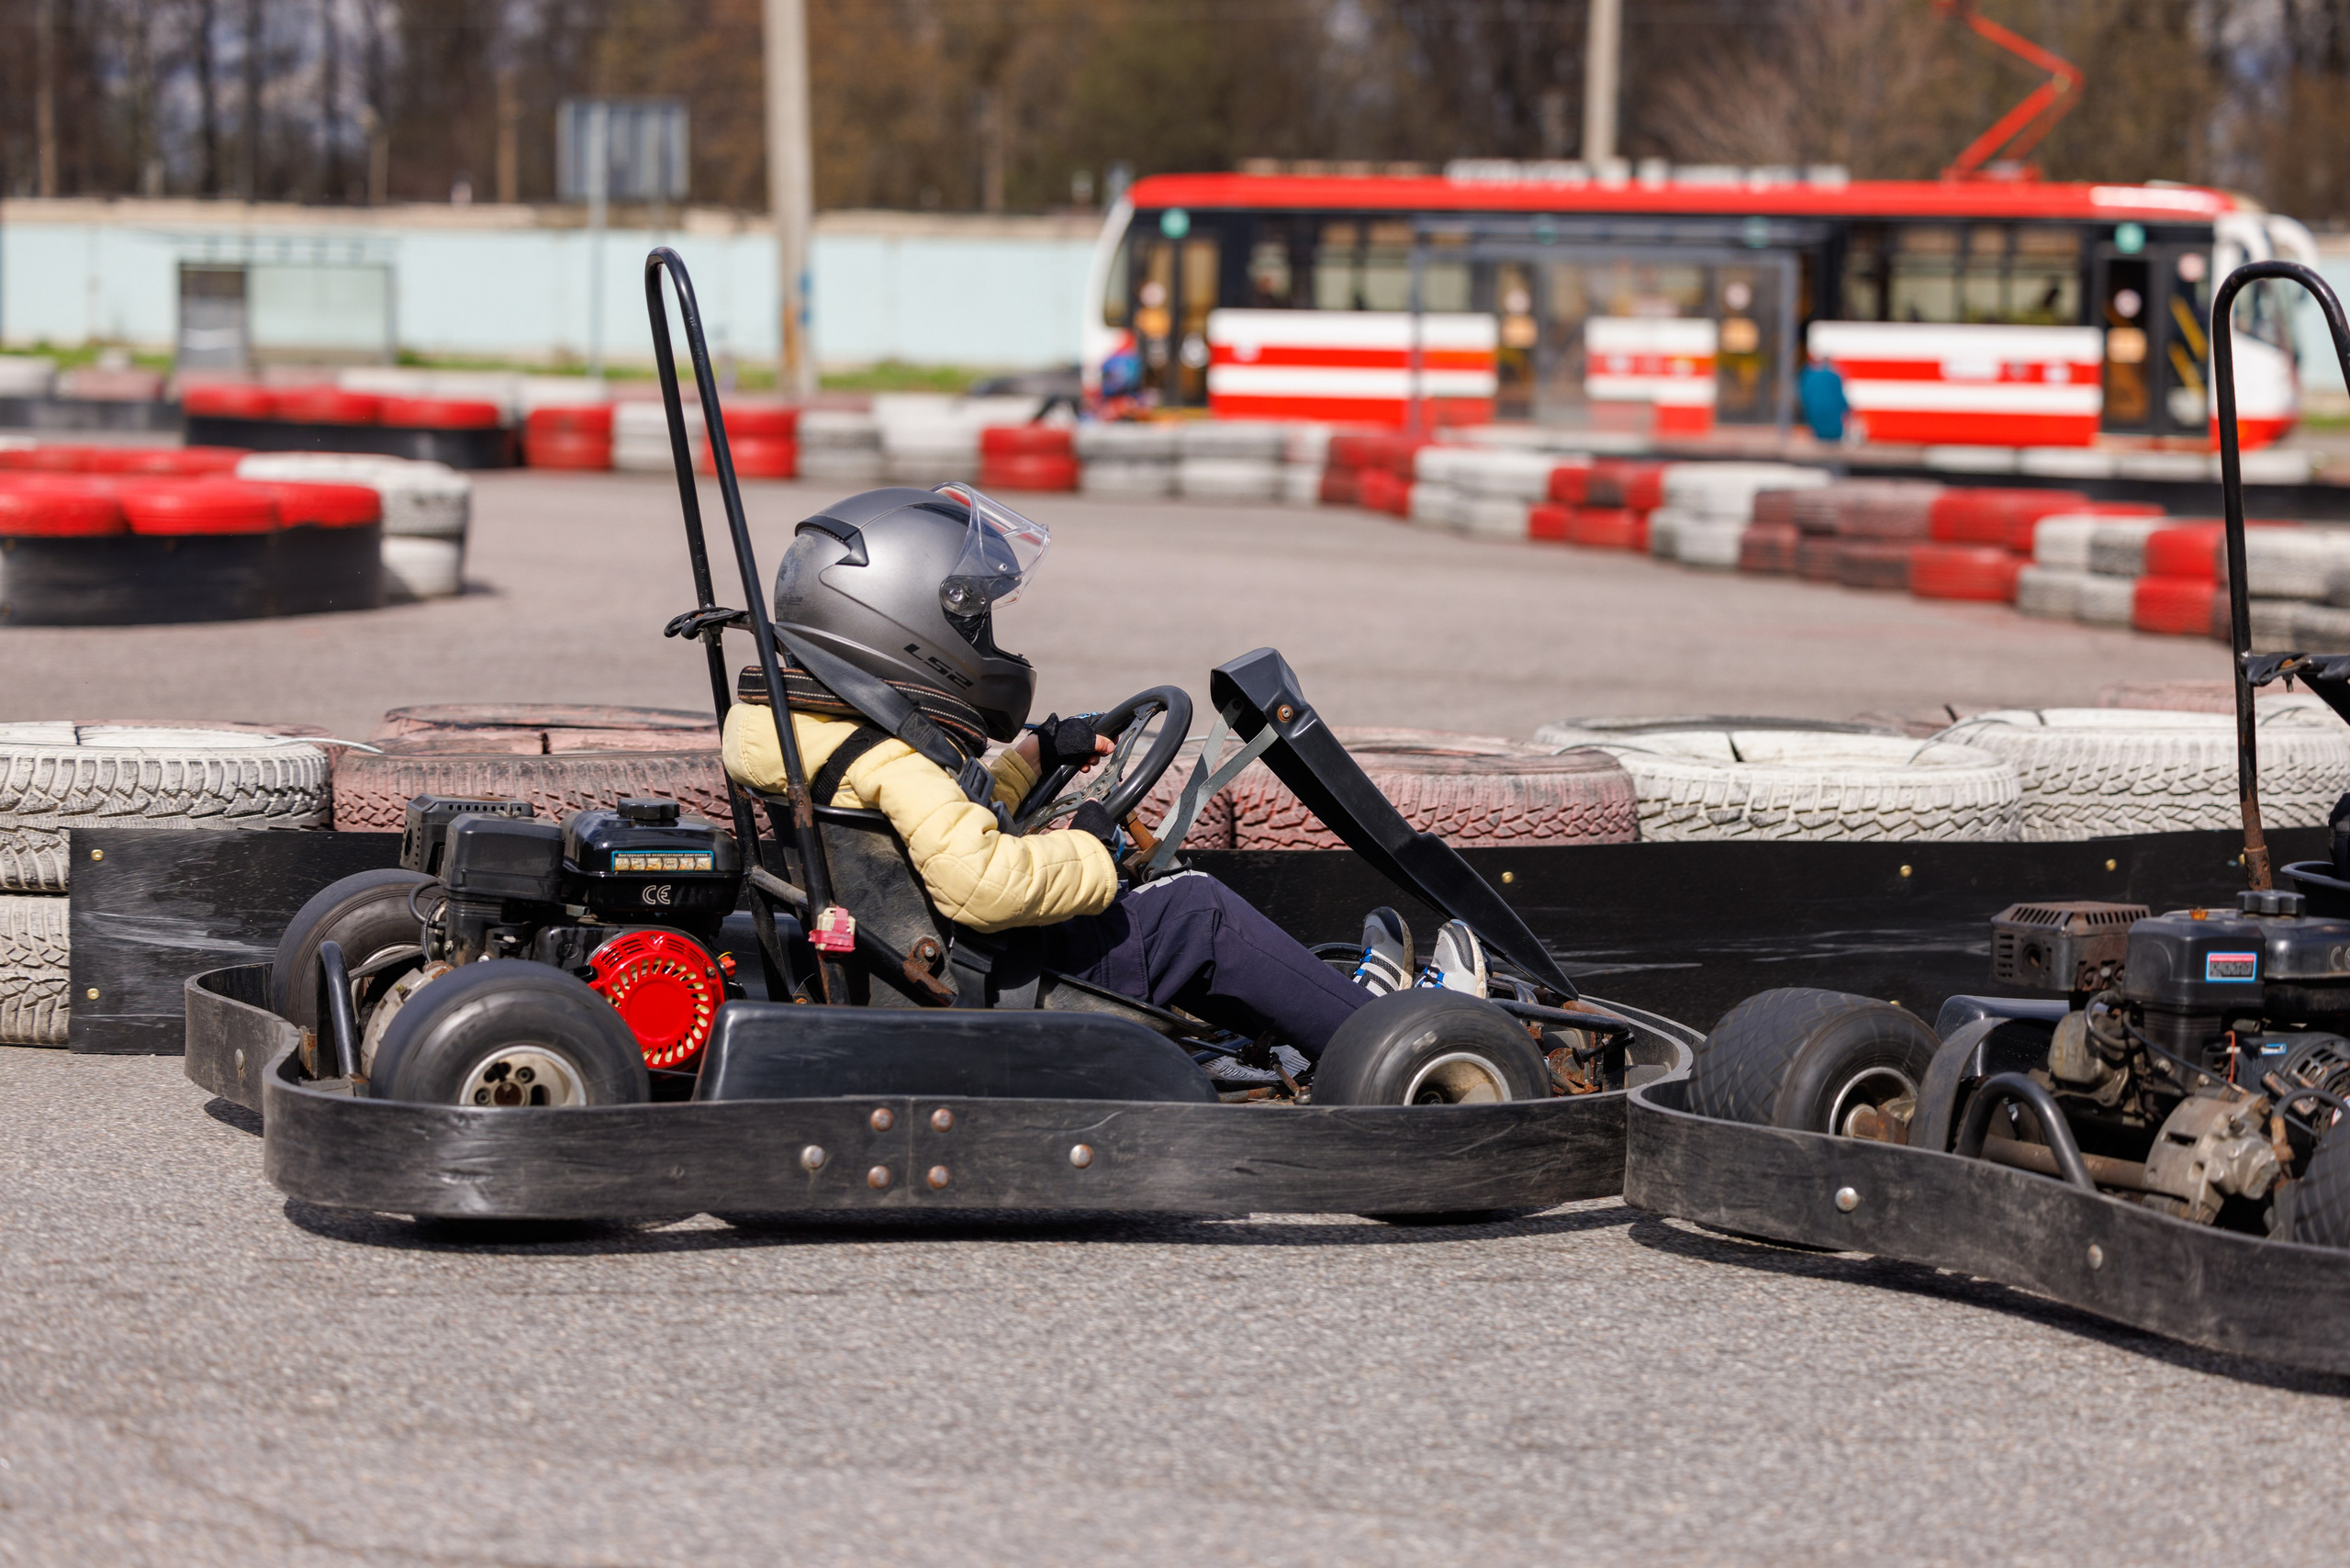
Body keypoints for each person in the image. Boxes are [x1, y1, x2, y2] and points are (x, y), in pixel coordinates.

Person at [720, 484, 1487, 1082]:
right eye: (974, 623)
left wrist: (1037, 756)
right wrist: (1089, 844)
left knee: (1164, 907)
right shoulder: (890, 763)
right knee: (1195, 914)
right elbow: (982, 884)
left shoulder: (819, 741)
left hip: (935, 956)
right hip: (995, 980)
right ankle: (1395, 1036)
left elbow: (947, 818)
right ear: (907, 624)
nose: (986, 640)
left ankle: (1329, 1013)